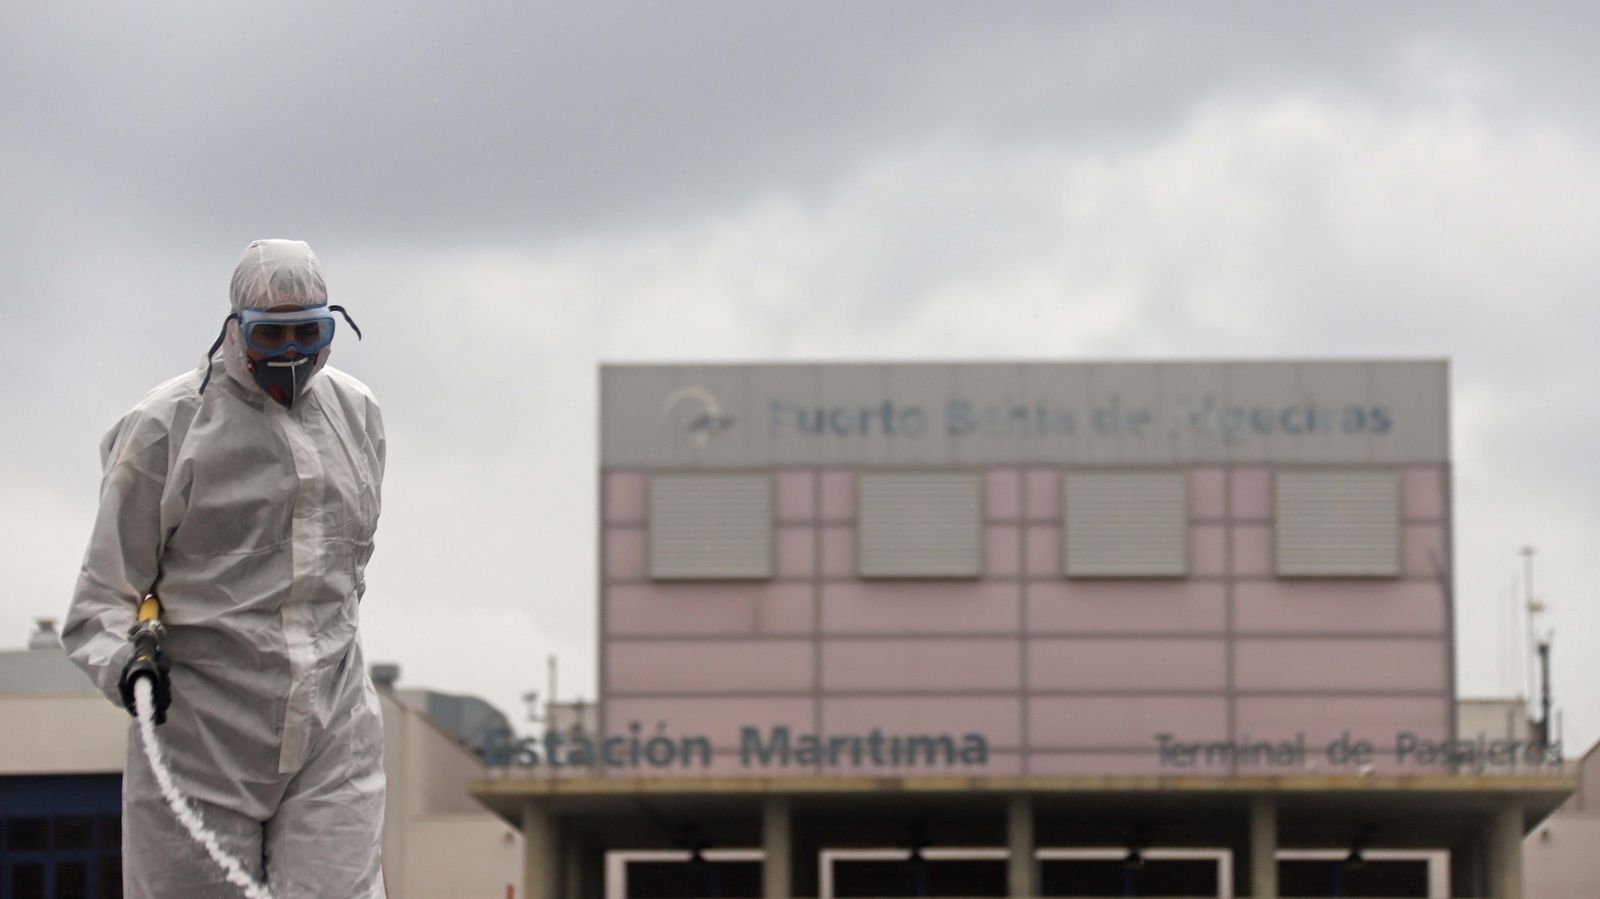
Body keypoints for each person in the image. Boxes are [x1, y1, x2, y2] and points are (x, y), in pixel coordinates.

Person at [63, 239, 388, 898]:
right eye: (271, 335)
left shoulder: (356, 414)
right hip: (199, 737)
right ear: (234, 329)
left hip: (332, 729)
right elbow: (102, 599)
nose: (291, 353)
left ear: (333, 326)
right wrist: (125, 666)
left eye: (310, 333)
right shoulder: (167, 427)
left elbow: (346, 573)